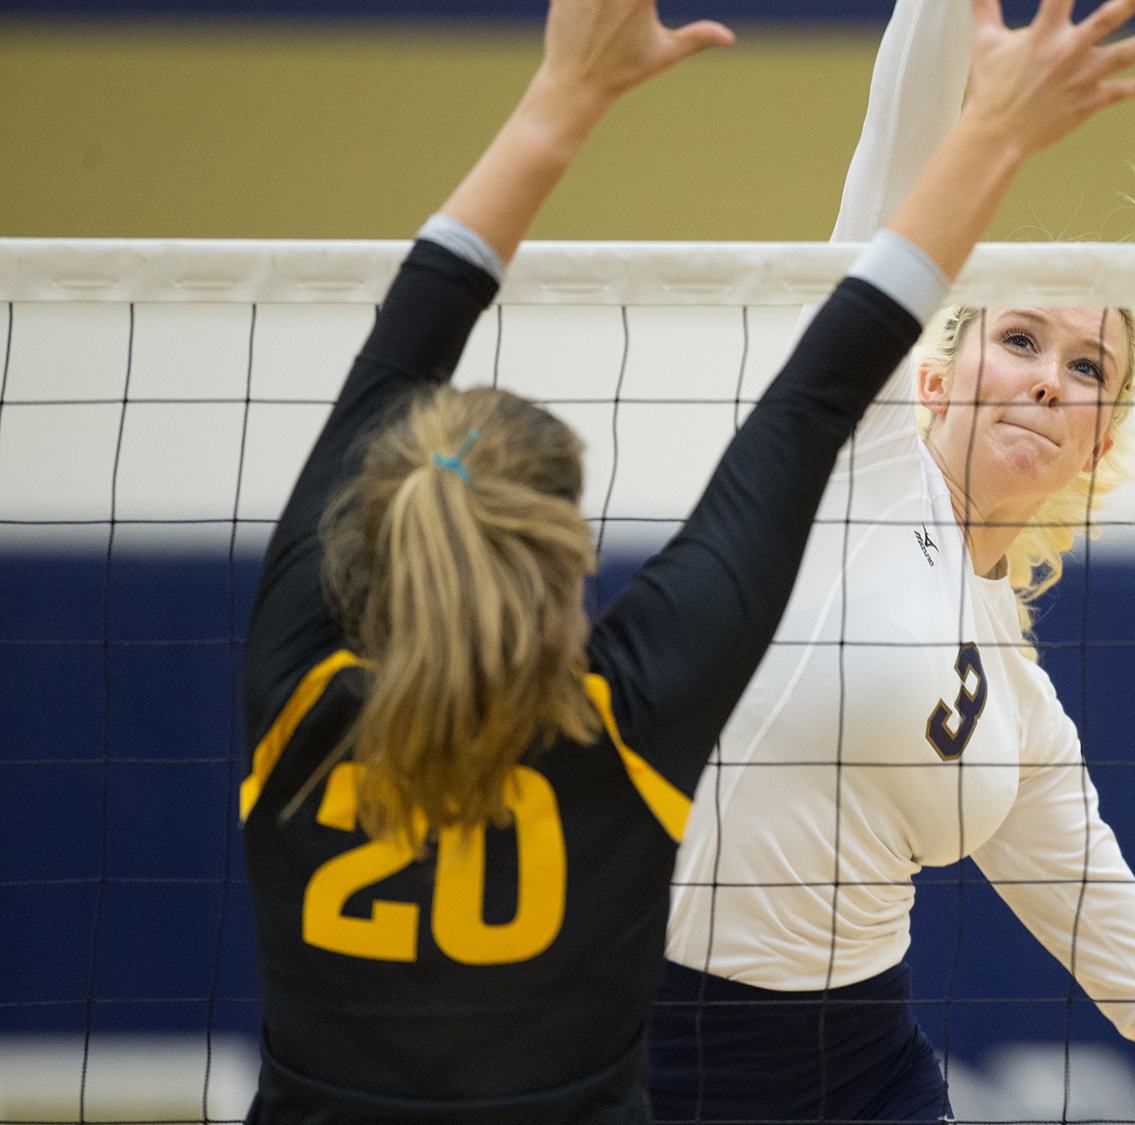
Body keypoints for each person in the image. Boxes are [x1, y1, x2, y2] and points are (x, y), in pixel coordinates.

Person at [235, 0, 991, 1115]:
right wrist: (1000, 123)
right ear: (568, 557)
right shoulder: (625, 732)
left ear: (368, 535)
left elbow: (813, 399)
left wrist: (560, 100)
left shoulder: (293, 704)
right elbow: (815, 401)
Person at [651, 0, 1135, 1122]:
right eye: (1019, 339)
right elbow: (895, 156)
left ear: (1099, 439)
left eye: (1089, 368)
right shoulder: (856, 460)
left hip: (857, 1078)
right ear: (934, 380)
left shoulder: (1025, 718)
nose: (1052, 378)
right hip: (643, 1045)